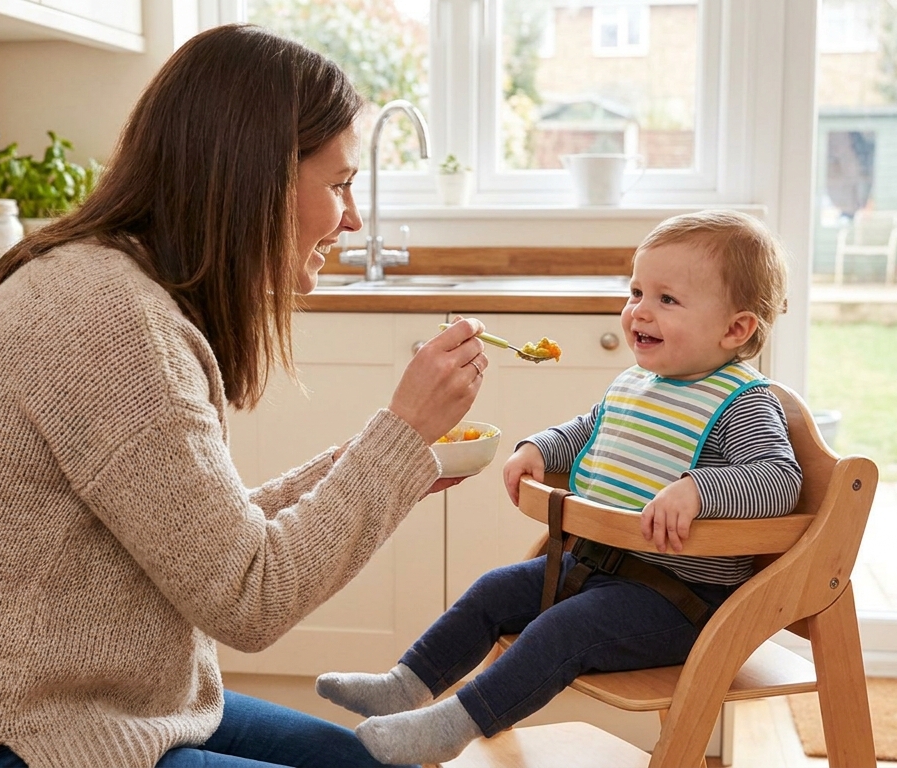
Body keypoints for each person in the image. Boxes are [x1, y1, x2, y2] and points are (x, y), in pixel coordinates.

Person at [0, 24, 491, 768]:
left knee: (362, 762)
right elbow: (250, 597)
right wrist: (396, 439)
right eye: (339, 185)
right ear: (257, 176)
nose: (352, 219)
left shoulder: (121, 292)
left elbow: (212, 543)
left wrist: (393, 463)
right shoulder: (108, 320)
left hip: (96, 707)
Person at [315, 210, 803, 765]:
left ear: (735, 329)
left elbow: (779, 481)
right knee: (493, 591)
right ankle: (407, 683)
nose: (639, 310)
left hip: (679, 604)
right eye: (637, 291)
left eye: (667, 300)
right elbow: (586, 431)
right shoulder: (636, 384)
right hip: (596, 566)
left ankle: (450, 726)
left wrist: (698, 490)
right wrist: (538, 450)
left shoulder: (744, 403)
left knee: (561, 629)